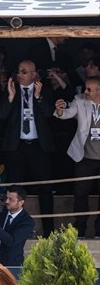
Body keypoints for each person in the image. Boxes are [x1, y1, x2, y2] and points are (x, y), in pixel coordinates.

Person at [0, 60, 57, 237]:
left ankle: (49, 230)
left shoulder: (44, 90)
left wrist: (38, 96)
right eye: (18, 72)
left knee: (45, 188)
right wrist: (10, 97)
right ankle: (12, 230)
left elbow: (48, 112)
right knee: (15, 189)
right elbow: (2, 114)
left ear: (34, 74)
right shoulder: (10, 89)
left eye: (24, 72)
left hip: (38, 146)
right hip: (16, 147)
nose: (19, 75)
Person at [53, 75, 100, 239]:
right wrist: (59, 111)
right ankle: (80, 229)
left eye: (89, 89)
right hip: (84, 157)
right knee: (80, 194)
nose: (85, 92)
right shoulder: (79, 101)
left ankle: (99, 230)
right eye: (85, 88)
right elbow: (68, 113)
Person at [0, 185, 35, 267]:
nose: (7, 201)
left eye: (11, 199)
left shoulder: (27, 221)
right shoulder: (1, 211)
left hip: (10, 266)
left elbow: (11, 241)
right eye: (6, 198)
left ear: (21, 202)